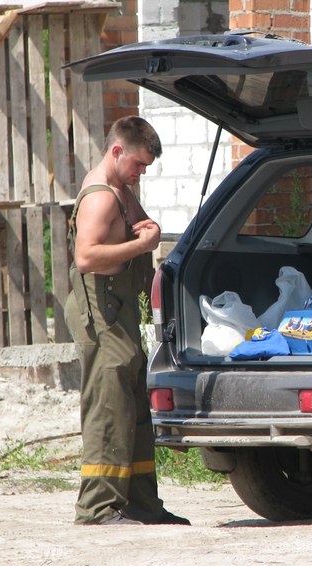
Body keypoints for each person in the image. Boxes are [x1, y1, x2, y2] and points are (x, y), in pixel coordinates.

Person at [64, 116, 189, 526]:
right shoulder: (100, 197)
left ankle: (141, 504)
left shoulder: (121, 188)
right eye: (138, 164)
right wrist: (140, 244)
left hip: (119, 313)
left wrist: (149, 229)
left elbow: (143, 224)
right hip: (100, 314)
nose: (140, 173)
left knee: (132, 405)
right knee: (108, 407)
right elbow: (86, 257)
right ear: (117, 151)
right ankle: (97, 508)